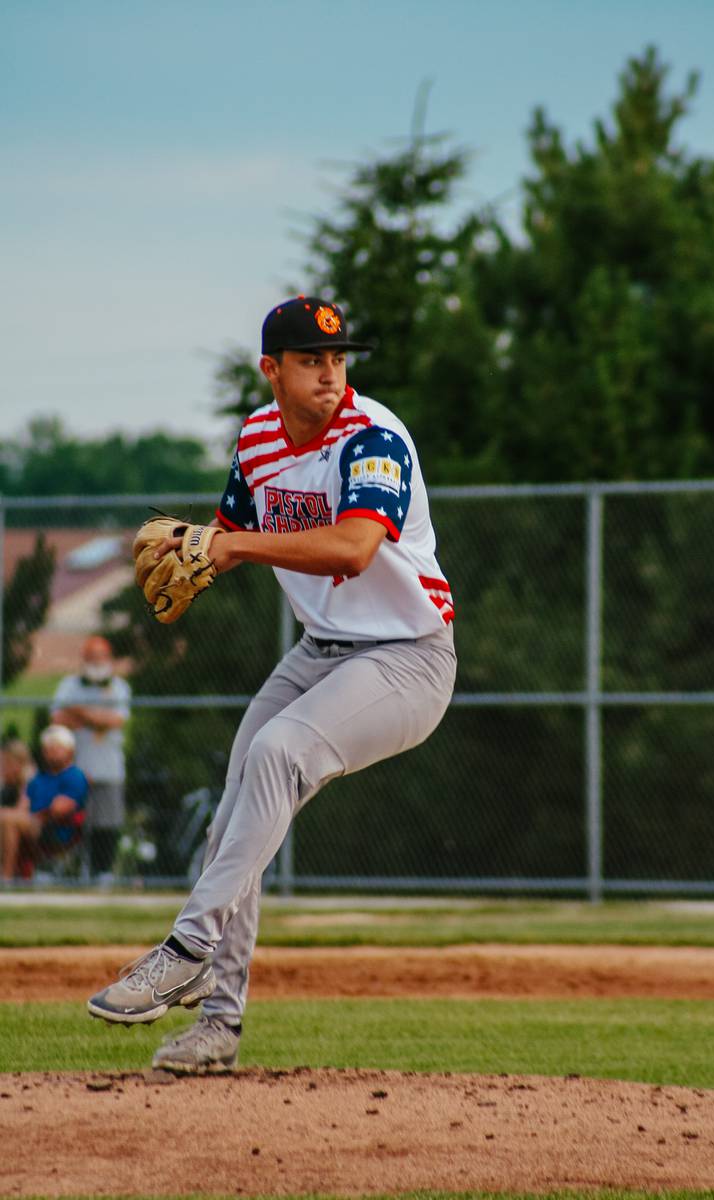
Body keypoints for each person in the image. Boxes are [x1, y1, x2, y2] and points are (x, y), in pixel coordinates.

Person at [87, 295, 456, 1073]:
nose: (330, 375)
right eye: (310, 360)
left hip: (409, 656)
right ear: (272, 370)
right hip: (322, 650)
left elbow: (353, 550)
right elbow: (222, 535)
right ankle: (218, 1027)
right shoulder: (258, 438)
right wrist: (205, 552)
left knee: (280, 751)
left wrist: (236, 550)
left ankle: (185, 948)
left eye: (337, 359)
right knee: (236, 818)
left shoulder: (372, 437)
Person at [52, 635, 131, 880]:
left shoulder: (118, 687)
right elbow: (58, 719)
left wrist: (79, 711)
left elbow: (115, 720)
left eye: (101, 657)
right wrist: (97, 718)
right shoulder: (70, 685)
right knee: (72, 822)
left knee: (107, 823)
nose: (96, 662)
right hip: (77, 768)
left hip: (108, 768)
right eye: (91, 657)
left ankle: (103, 872)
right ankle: (71, 871)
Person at [0, 725, 88, 881]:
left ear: (70, 751)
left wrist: (33, 816)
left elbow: (60, 809)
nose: (51, 751)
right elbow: (23, 806)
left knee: (6, 818)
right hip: (33, 823)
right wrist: (25, 816)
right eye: (48, 747)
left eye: (57, 747)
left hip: (55, 829)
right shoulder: (38, 778)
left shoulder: (75, 775)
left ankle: (5, 877)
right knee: (5, 818)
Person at [1, 737, 35, 811]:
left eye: (7, 762)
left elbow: (20, 811)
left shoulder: (30, 781)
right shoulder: (7, 783)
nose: (2, 767)